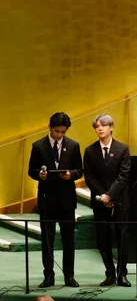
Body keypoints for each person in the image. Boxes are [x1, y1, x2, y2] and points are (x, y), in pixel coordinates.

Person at [28, 112, 82, 288]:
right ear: (50, 128)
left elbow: (79, 170)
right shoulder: (38, 146)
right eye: (57, 131)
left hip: (66, 200)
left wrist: (70, 175)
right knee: (48, 240)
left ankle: (69, 276)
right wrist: (40, 175)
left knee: (69, 240)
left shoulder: (73, 146)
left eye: (62, 132)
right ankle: (48, 275)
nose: (59, 135)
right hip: (47, 199)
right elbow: (31, 170)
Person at [83, 115, 131, 287]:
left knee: (122, 237)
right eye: (97, 126)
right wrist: (102, 196)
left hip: (119, 200)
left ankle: (122, 274)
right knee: (103, 239)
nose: (100, 128)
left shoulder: (122, 149)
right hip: (99, 200)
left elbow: (123, 176)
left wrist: (110, 195)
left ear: (111, 127)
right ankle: (109, 273)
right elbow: (89, 177)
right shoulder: (90, 151)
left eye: (103, 125)